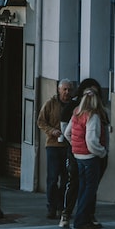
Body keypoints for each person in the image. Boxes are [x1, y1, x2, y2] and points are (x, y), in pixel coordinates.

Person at [64, 86, 109, 229]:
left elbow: (67, 133)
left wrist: (75, 146)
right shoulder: (93, 116)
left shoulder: (76, 113)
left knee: (83, 188)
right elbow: (92, 141)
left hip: (78, 156)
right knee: (89, 190)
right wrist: (102, 152)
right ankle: (82, 221)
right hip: (90, 157)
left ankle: (81, 219)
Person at [37, 79, 76, 220]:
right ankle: (51, 207)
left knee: (67, 178)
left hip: (69, 146)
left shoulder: (74, 105)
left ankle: (62, 207)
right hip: (53, 145)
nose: (67, 92)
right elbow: (41, 121)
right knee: (52, 178)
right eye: (64, 89)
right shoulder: (50, 104)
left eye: (69, 90)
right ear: (59, 90)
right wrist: (51, 131)